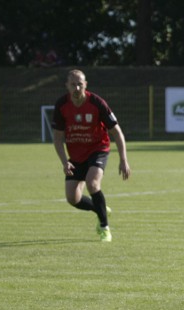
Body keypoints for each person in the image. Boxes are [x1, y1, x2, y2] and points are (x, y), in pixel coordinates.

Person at [51, 69, 130, 243]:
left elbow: (117, 132)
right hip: (76, 155)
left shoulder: (97, 103)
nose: (77, 87)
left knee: (92, 183)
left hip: (98, 149)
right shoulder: (61, 105)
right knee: (72, 198)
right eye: (73, 84)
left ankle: (104, 227)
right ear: (67, 86)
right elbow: (57, 138)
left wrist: (123, 159)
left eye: (80, 83)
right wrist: (65, 162)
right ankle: (100, 209)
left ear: (86, 85)